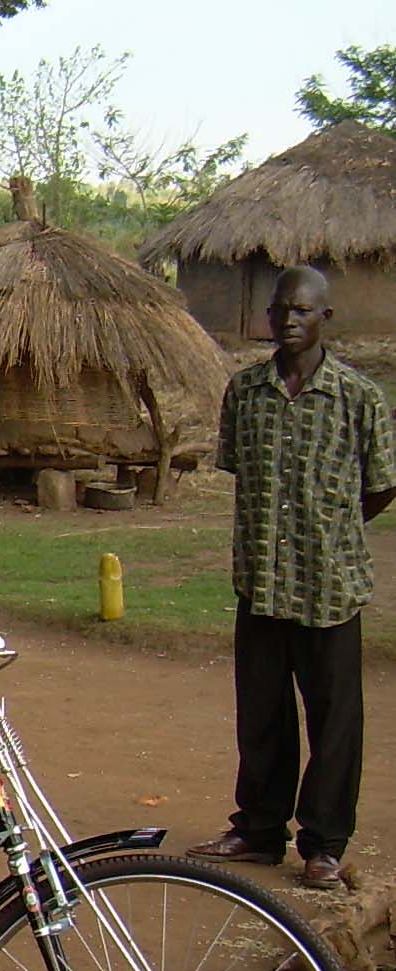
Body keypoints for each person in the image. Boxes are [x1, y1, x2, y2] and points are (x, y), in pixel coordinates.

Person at [189, 266, 394, 891]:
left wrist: (330, 530)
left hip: (328, 584)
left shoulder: (358, 397)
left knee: (334, 718)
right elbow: (237, 470)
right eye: (280, 309)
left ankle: (324, 843)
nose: (288, 320)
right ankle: (258, 828)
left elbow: (381, 486)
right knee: (262, 711)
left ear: (326, 317)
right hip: (261, 580)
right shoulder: (245, 391)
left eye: (302, 310)